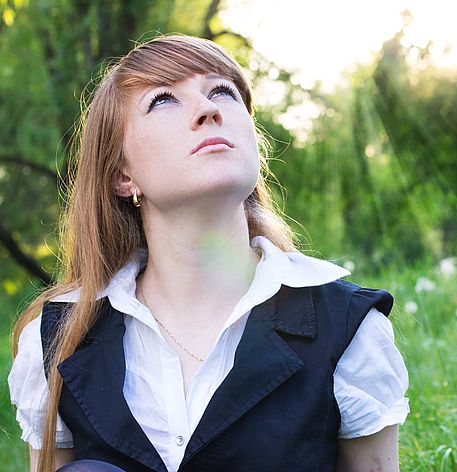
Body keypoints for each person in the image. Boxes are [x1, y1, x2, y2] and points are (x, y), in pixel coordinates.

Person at [7, 35, 409, 472]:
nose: (208, 109)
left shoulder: (346, 327)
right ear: (122, 175)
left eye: (223, 91)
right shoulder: (59, 339)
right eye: (162, 100)